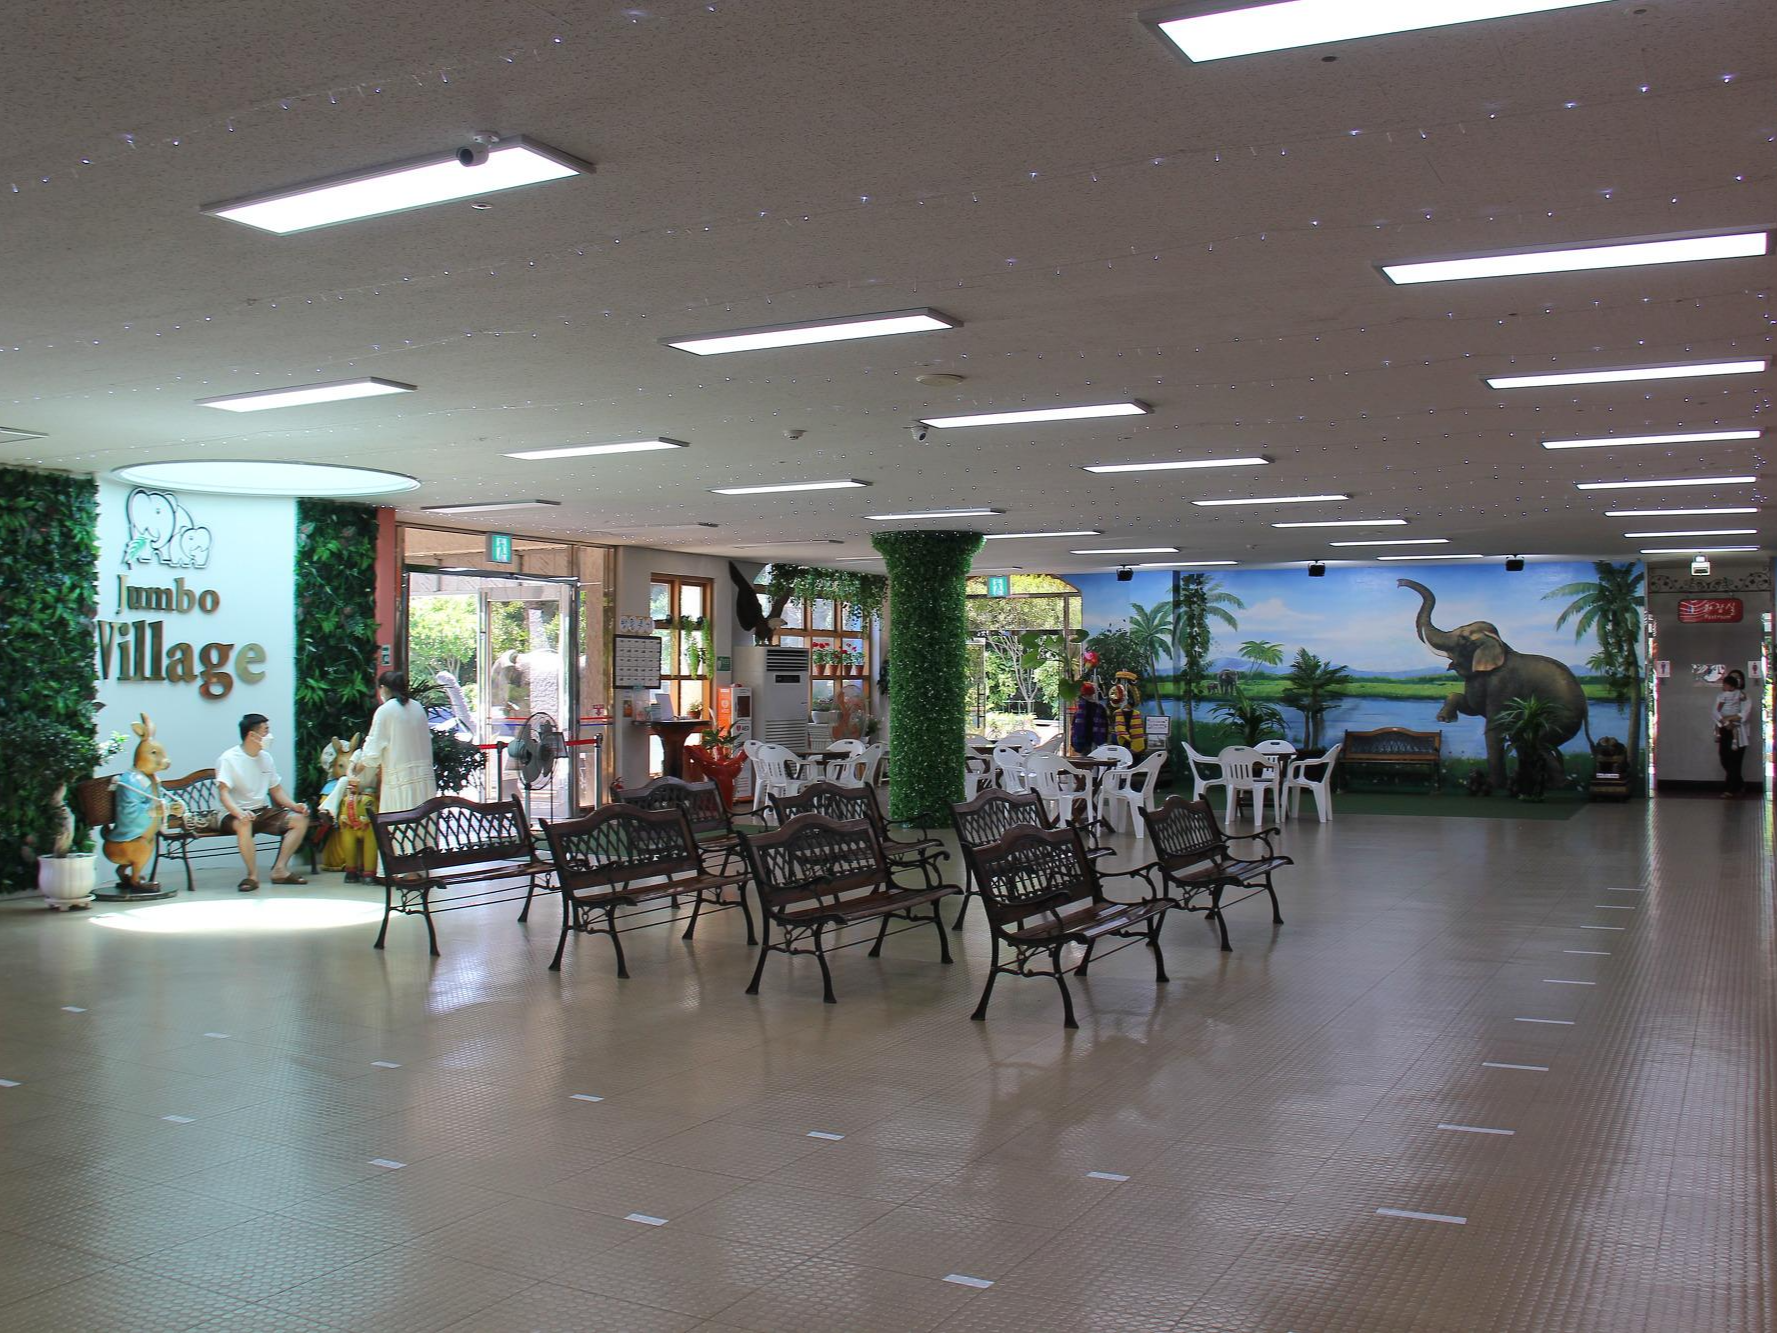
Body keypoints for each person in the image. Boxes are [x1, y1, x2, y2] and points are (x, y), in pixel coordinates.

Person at [216, 714, 310, 891]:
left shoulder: (266, 758)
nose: (269, 736)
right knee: (244, 823)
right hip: (233, 813)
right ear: (252, 735)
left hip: (261, 810)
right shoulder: (228, 758)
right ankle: (252, 876)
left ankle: (280, 870)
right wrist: (239, 813)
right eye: (266, 731)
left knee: (300, 820)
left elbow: (276, 790)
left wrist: (294, 806)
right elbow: (224, 794)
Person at [357, 670, 438, 815]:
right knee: (425, 827)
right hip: (426, 786)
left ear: (383, 688)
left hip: (400, 786)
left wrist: (358, 766)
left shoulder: (385, 711)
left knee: (400, 825)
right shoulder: (418, 708)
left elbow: (372, 753)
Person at [1713, 669, 1752, 798]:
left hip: (1739, 731)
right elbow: (1716, 712)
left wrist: (1729, 719)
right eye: (1733, 677)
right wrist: (1724, 722)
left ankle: (1730, 788)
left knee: (1735, 760)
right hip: (1725, 729)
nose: (1736, 680)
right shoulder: (1722, 695)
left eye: (1738, 678)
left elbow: (1744, 715)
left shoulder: (1744, 697)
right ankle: (1739, 783)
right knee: (1724, 758)